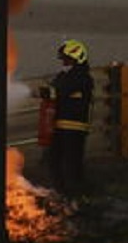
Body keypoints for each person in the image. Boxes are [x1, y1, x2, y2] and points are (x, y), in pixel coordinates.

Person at [41, 38, 95, 197]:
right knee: (53, 161)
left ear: (78, 58)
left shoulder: (82, 77)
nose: (64, 62)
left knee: (71, 164)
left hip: (75, 128)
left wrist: (47, 93)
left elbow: (59, 92)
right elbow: (55, 90)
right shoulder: (64, 75)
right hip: (59, 126)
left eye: (67, 59)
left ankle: (78, 197)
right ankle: (61, 194)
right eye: (63, 59)